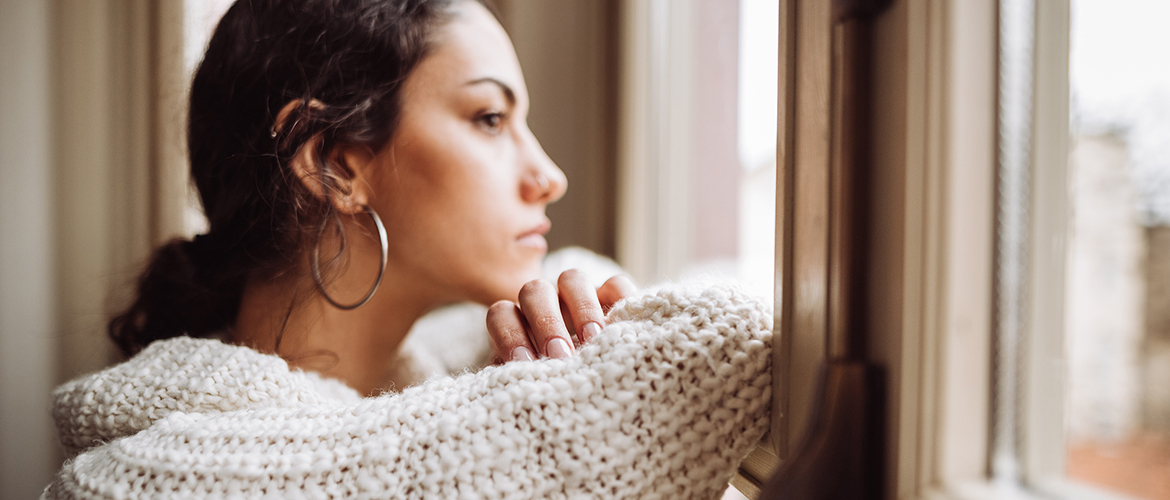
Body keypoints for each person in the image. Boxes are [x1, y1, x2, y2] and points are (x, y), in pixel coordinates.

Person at [44, 0, 774, 497]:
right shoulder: (161, 480)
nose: (549, 176)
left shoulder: (439, 384)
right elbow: (720, 345)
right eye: (490, 118)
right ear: (338, 164)